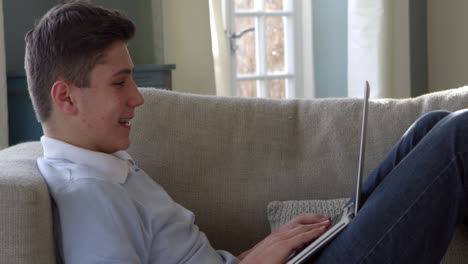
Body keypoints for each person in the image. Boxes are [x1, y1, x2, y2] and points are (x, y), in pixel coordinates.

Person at [26, 1, 468, 264]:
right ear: (66, 97)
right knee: (458, 137)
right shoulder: (87, 194)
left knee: (432, 127)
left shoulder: (106, 168)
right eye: (120, 82)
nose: (138, 98)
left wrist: (264, 250)